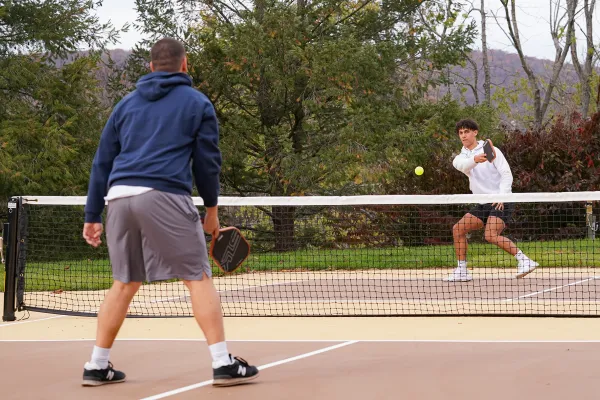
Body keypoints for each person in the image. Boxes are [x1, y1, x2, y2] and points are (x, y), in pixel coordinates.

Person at [81, 37, 259, 387]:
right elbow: (207, 163)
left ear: (150, 67)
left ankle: (96, 365)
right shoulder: (197, 103)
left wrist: (91, 215)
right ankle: (223, 363)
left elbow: (102, 162)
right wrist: (211, 209)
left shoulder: (125, 105)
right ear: (185, 64)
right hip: (162, 194)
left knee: (124, 282)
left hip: (118, 198)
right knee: (197, 276)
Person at [445, 118, 538, 282]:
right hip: (483, 202)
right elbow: (464, 166)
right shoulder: (460, 158)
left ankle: (525, 261)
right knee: (458, 229)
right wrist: (475, 160)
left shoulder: (492, 150)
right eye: (461, 133)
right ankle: (462, 271)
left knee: (490, 235)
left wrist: (502, 195)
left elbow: (506, 174)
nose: (463, 136)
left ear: (475, 132)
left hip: (502, 199)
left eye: (467, 132)